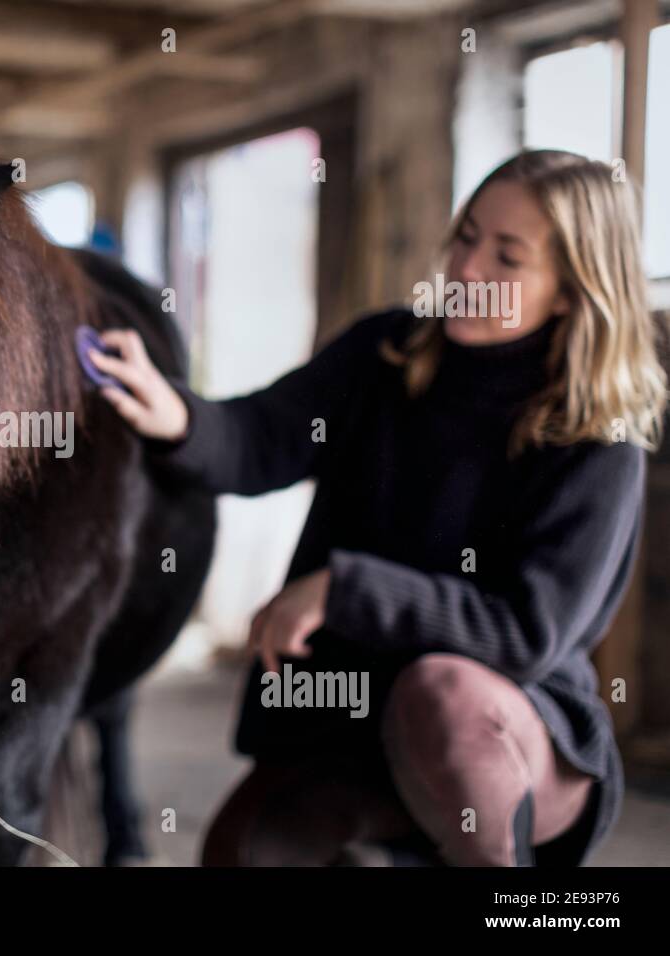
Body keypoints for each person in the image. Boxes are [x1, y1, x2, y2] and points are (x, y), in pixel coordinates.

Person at [91, 150, 666, 866]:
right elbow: (260, 438)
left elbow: (525, 632)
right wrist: (173, 410)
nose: (467, 270)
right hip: (354, 724)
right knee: (239, 852)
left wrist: (344, 590)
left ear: (572, 294)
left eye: (507, 258)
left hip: (513, 738)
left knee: (443, 693)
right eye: (466, 236)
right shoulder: (385, 353)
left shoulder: (596, 437)